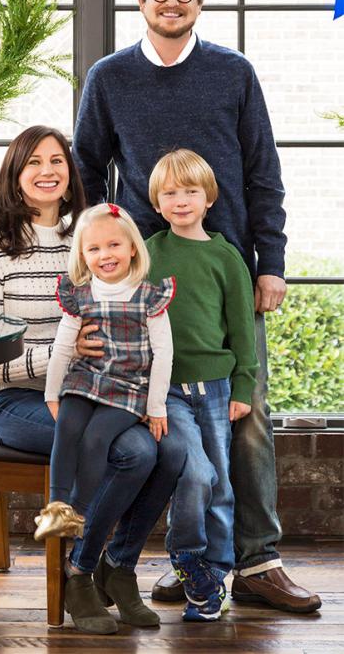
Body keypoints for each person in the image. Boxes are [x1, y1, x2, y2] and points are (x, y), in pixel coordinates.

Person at [72, 0, 321, 612]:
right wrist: (110, 256)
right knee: (168, 423)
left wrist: (270, 261)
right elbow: (88, 171)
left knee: (245, 416)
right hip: (145, 287)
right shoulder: (108, 78)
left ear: (198, 1)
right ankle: (193, 560)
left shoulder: (232, 74)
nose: (171, 2)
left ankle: (258, 562)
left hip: (226, 274)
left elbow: (263, 171)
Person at [0, 125, 187, 635]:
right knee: (133, 453)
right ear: (14, 175)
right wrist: (57, 359)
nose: (47, 171)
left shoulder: (89, 235)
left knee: (170, 451)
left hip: (100, 389)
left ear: (71, 171)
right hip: (14, 397)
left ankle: (117, 567)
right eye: (34, 162)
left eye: (57, 160)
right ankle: (79, 572)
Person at [146, 149, 257, 622]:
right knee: (194, 475)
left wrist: (243, 387)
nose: (181, 200)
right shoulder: (148, 253)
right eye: (170, 192)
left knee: (222, 483)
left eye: (191, 191)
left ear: (209, 197)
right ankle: (188, 559)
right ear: (156, 202)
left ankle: (215, 575)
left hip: (215, 389)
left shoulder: (225, 256)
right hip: (166, 391)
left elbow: (242, 329)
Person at [34, 203, 174, 548]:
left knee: (97, 438)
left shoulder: (149, 297)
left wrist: (156, 406)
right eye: (94, 248)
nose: (105, 255)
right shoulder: (80, 295)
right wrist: (52, 394)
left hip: (128, 387)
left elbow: (164, 354)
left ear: (131, 247)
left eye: (114, 245)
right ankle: (56, 506)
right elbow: (64, 346)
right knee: (67, 426)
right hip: (87, 378)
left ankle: (76, 514)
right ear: (82, 255)